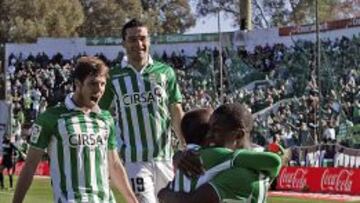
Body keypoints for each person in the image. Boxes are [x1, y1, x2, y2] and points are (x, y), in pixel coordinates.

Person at [12, 57, 138, 203]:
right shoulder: (51, 118)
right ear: (78, 84)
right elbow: (30, 166)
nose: (99, 90)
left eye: (102, 84)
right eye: (93, 84)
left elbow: (115, 164)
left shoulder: (105, 118)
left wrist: (132, 200)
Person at [99, 18, 184, 203]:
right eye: (132, 39)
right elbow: (100, 113)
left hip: (165, 159)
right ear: (123, 43)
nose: (139, 44)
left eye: (143, 38)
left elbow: (176, 110)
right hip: (134, 161)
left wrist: (186, 143)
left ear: (149, 40)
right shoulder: (114, 77)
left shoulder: (165, 72)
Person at [159, 103, 282, 203]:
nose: (209, 135)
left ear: (238, 135)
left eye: (216, 130)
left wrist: (165, 194)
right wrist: (180, 156)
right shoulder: (254, 156)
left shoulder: (243, 173)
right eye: (208, 129)